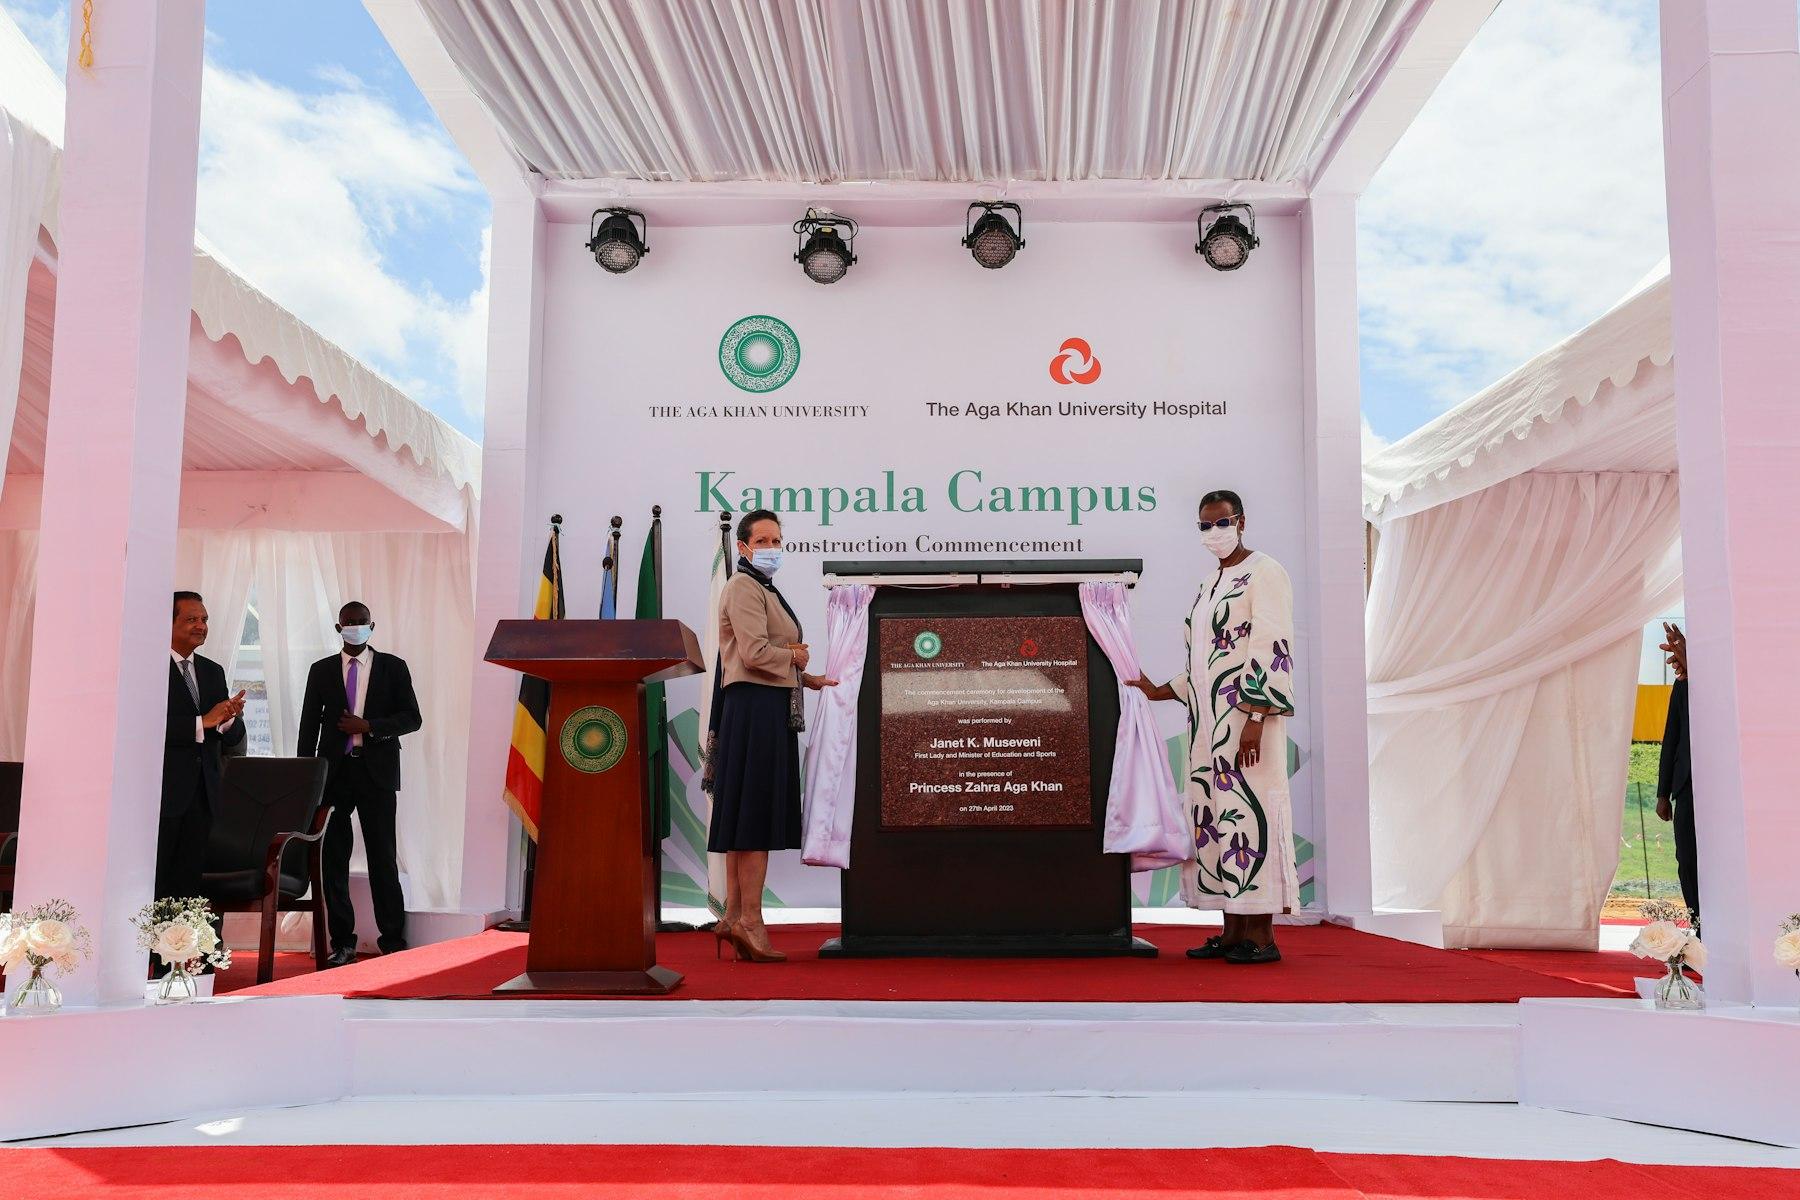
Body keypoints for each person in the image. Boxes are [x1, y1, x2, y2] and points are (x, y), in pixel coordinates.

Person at [1130, 490, 1299, 964]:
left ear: (1240, 520)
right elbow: (1206, 660)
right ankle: (1231, 932)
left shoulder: (1265, 572)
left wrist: (1257, 716)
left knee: (1249, 815)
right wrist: (1159, 689)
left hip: (1247, 724)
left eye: (1220, 523)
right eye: (1203, 526)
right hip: (1206, 728)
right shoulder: (1209, 584)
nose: (1212, 533)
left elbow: (1272, 644)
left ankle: (1261, 938)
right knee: (1213, 819)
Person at [705, 510, 835, 962]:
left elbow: (769, 656)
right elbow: (756, 653)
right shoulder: (742, 587)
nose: (771, 547)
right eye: (762, 539)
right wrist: (796, 657)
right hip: (755, 709)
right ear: (743, 547)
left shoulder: (763, 588)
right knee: (754, 818)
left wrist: (810, 678)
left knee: (747, 820)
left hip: (763, 704)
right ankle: (751, 922)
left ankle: (735, 916)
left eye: (777, 539)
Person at [298, 601, 422, 966]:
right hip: (334, 776)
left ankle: (392, 941)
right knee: (333, 860)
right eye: (349, 622)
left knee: (382, 857)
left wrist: (369, 728)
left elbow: (412, 718)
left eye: (361, 622)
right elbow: (308, 726)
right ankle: (343, 943)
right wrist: (308, 779)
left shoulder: (392, 667)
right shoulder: (320, 670)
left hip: (377, 774)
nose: (355, 627)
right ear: (338, 628)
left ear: (372, 626)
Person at [161, 592, 246, 901]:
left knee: (188, 883)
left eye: (205, 620)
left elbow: (226, 733)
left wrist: (227, 719)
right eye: (192, 619)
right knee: (158, 881)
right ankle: (151, 950)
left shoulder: (213, 670)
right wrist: (202, 722)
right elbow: (142, 726)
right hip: (162, 794)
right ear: (167, 623)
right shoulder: (147, 667)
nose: (201, 626)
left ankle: (180, 947)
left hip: (203, 795)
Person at [1655, 622, 1697, 928]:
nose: (1675, 657)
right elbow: (1671, 739)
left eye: (1680, 650)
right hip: (1686, 789)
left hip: (1722, 791)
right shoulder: (1682, 686)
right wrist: (1662, 794)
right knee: (1687, 863)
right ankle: (1699, 932)